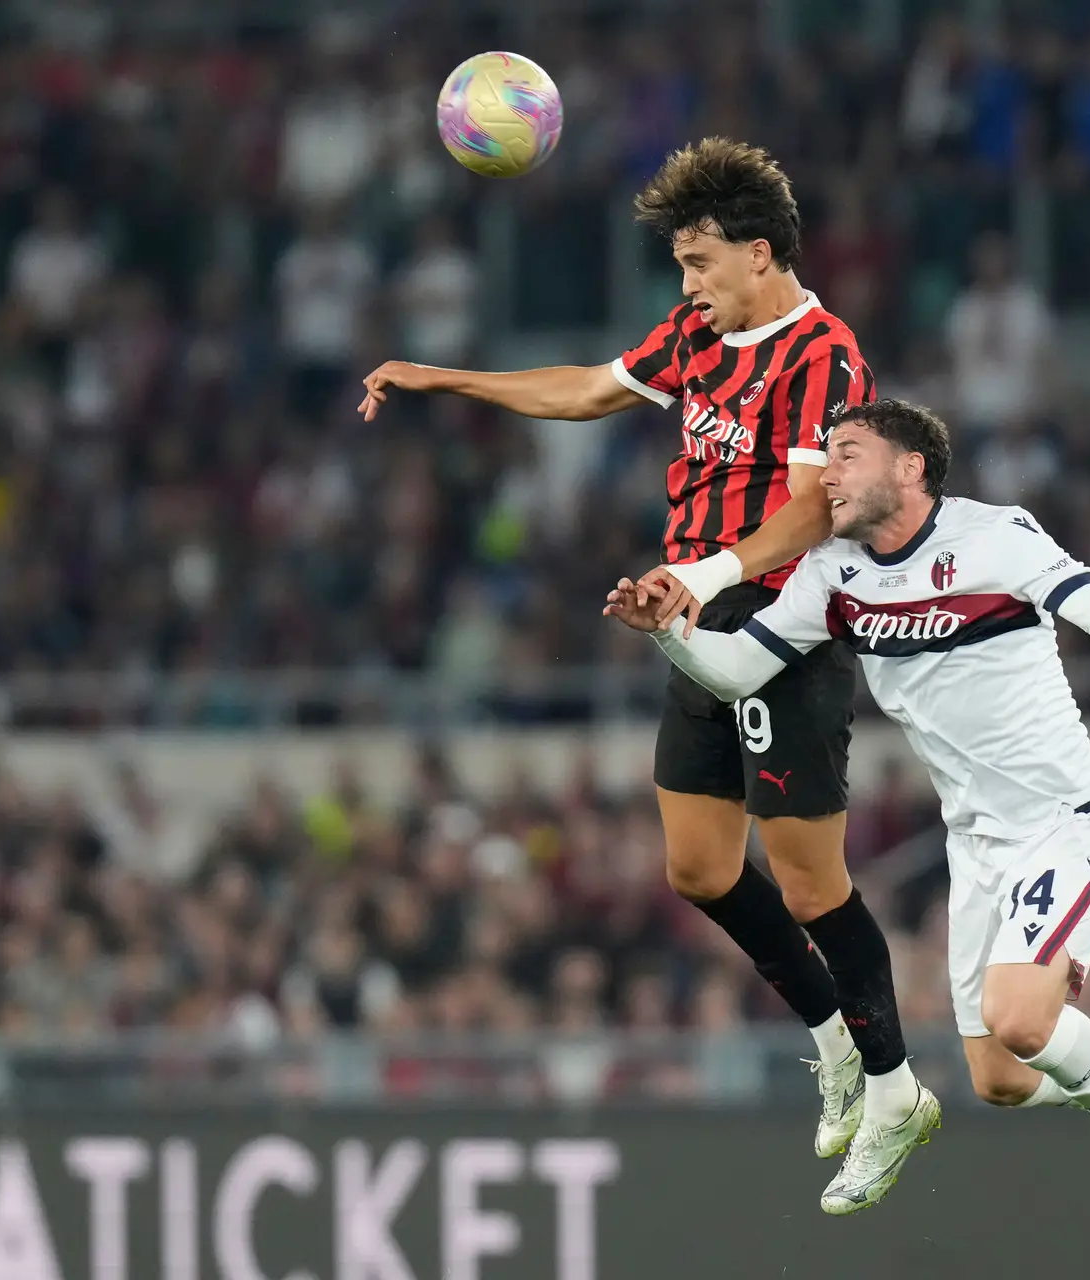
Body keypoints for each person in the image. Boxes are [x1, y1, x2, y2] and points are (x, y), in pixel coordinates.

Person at [361, 138, 910, 1203]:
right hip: (696, 611)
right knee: (699, 868)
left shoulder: (823, 354)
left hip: (781, 624)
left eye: (700, 264)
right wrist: (447, 377)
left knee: (807, 880)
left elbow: (812, 508)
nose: (687, 285)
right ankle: (838, 1044)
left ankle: (894, 1089)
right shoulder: (702, 330)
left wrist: (700, 574)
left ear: (760, 253)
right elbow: (591, 388)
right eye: (680, 266)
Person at [605, 398, 1090, 1240]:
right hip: (977, 845)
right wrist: (670, 633)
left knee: (1021, 1019)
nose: (828, 473)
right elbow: (741, 670)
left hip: (1066, 820)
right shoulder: (830, 571)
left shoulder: (995, 535)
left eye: (847, 454)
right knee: (998, 1077)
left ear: (910, 467)